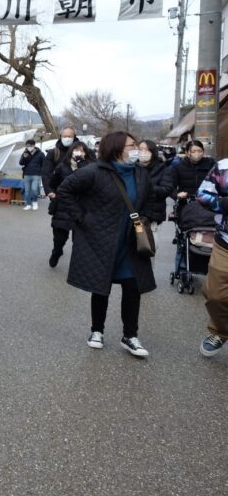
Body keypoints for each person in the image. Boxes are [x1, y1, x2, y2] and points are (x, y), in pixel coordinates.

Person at [55, 131, 156, 359]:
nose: (136, 149)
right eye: (132, 145)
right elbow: (65, 190)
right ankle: (96, 331)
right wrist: (83, 218)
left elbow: (150, 198)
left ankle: (130, 335)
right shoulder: (94, 172)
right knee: (101, 287)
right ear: (117, 149)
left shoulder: (140, 174)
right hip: (101, 239)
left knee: (132, 287)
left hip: (130, 241)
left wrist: (145, 217)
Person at [193, 159, 228, 357]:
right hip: (226, 243)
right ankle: (222, 331)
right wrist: (223, 203)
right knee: (215, 295)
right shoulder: (224, 167)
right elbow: (202, 195)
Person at [46, 141, 93, 268]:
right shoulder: (62, 166)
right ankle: (56, 252)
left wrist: (81, 164)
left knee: (79, 241)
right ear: (71, 151)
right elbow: (52, 183)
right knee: (59, 239)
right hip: (63, 206)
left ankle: (76, 265)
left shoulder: (90, 167)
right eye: (76, 150)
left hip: (81, 207)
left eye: (82, 150)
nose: (79, 152)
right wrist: (52, 193)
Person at [137, 139, 173, 225]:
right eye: (140, 149)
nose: (143, 152)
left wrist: (148, 187)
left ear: (153, 152)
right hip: (133, 214)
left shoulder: (162, 168)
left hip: (153, 215)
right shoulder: (132, 167)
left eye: (147, 150)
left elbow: (167, 189)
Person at [19, 139, 45, 211]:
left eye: (30, 146)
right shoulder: (25, 153)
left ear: (34, 145)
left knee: (34, 189)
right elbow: (21, 163)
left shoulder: (40, 154)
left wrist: (42, 172)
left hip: (36, 174)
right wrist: (24, 157)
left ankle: (35, 202)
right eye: (27, 146)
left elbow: (44, 164)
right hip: (27, 174)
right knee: (27, 191)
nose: (28, 147)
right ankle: (28, 204)